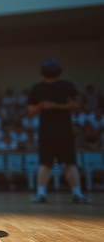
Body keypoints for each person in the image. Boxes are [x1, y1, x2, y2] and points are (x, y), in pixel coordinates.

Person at [27, 59, 89, 203]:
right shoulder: (42, 88)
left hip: (58, 131)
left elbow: (77, 104)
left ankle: (70, 194)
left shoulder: (63, 86)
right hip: (53, 132)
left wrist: (54, 105)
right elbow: (77, 104)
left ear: (41, 72)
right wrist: (42, 106)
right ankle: (46, 194)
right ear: (60, 72)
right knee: (58, 163)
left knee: (57, 163)